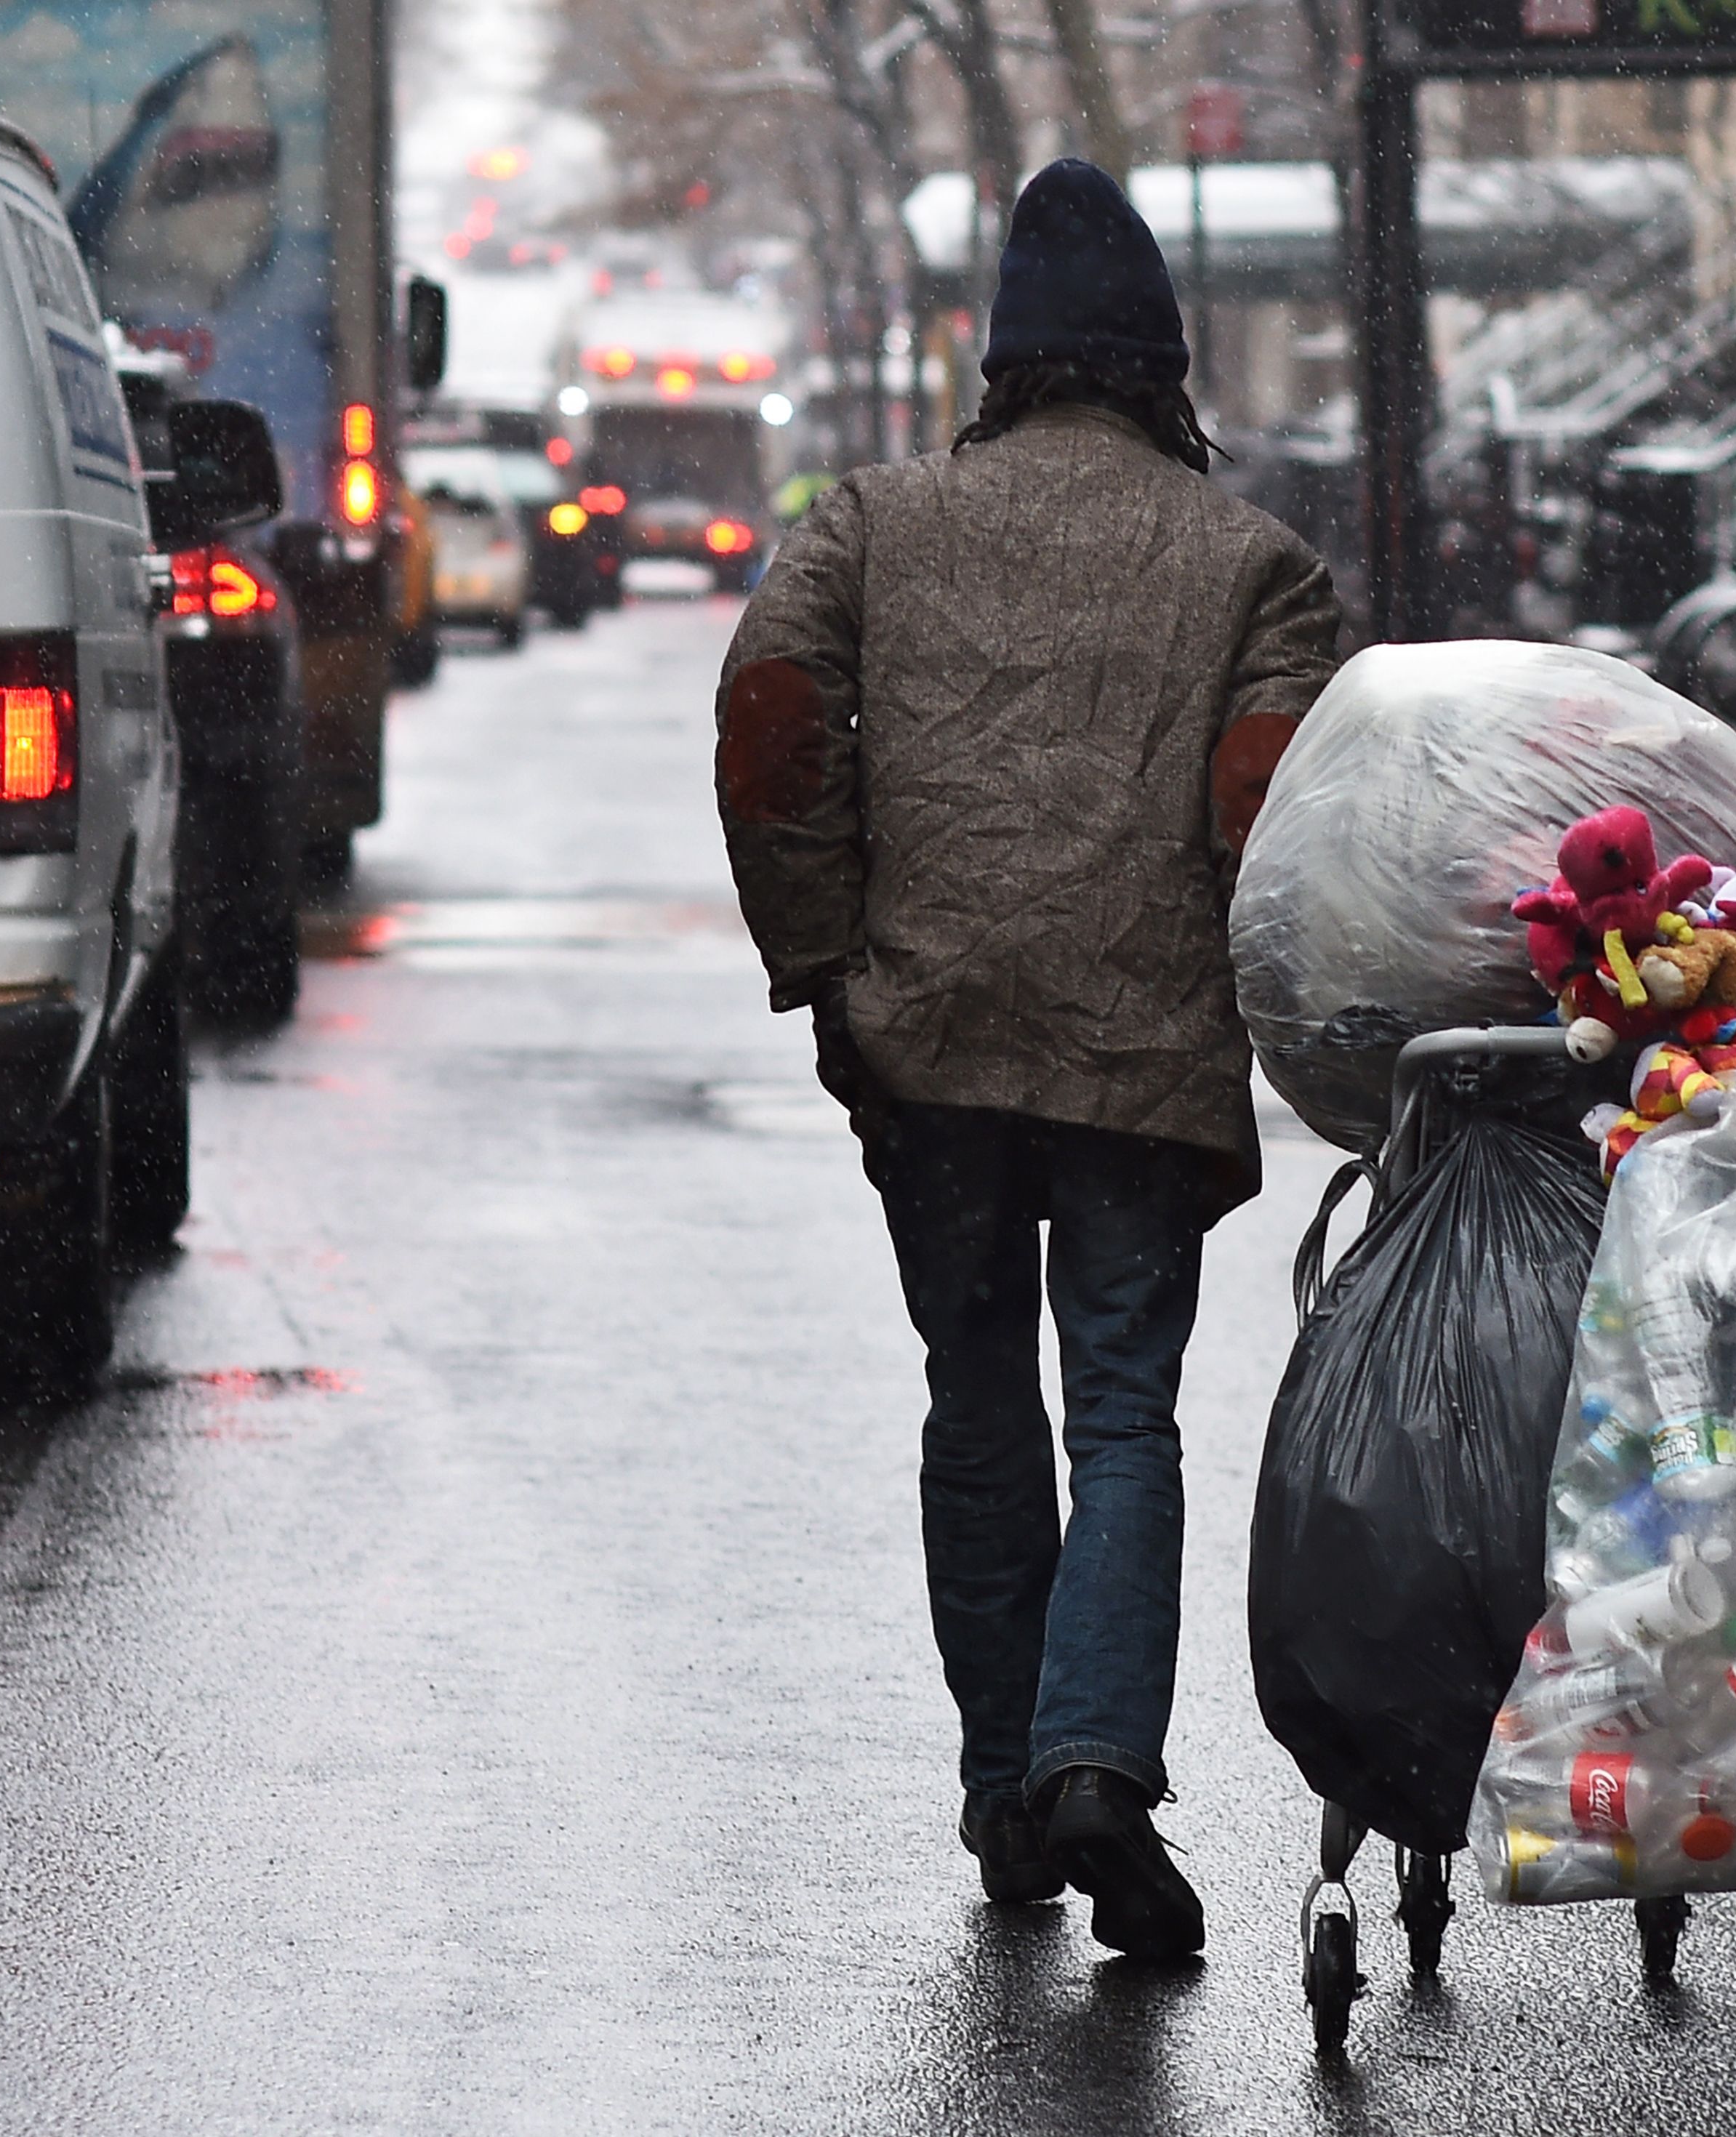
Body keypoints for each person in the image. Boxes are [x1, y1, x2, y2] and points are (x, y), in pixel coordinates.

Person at [712, 161, 1340, 1959]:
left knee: (976, 1393)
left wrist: (831, 961)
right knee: (1126, 1410)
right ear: (1165, 364)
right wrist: (1258, 1009)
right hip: (1143, 1051)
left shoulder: (871, 523)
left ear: (1000, 360)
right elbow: (1268, 816)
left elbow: (770, 733)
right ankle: (1095, 1767)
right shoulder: (1255, 565)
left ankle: (1004, 1784)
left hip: (931, 1044)